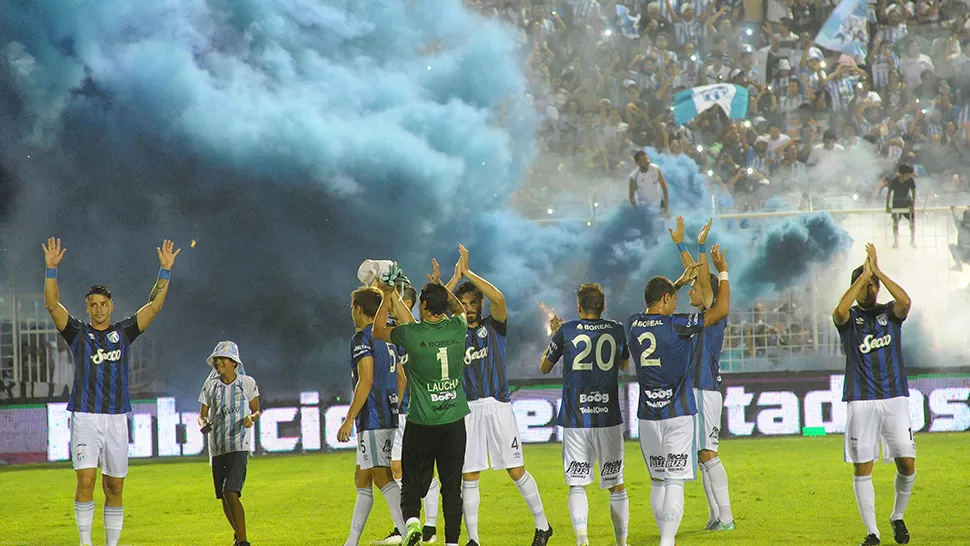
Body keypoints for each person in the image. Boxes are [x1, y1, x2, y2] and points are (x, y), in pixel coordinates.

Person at [42, 237, 180, 546]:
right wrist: (51, 270)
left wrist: (165, 271)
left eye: (104, 304)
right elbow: (52, 305)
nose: (99, 309)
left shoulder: (124, 333)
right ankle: (85, 542)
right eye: (93, 305)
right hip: (85, 416)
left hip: (117, 418)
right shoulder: (78, 333)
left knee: (115, 488)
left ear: (111, 306)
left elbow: (155, 306)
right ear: (87, 308)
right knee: (86, 480)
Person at [446, 245, 553, 546]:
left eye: (471, 302)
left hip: (498, 406)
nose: (467, 308)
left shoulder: (496, 327)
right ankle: (473, 539)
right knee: (469, 475)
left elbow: (500, 299)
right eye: (462, 303)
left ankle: (543, 526)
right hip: (467, 409)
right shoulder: (452, 331)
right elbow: (432, 306)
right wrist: (454, 280)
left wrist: (469, 274)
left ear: (479, 304)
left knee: (516, 470)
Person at [627, 245, 730, 546]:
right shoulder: (680, 324)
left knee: (659, 478)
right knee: (676, 477)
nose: (682, 298)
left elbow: (665, 302)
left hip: (648, 415)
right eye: (674, 297)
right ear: (666, 299)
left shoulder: (633, 323)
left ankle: (721, 516)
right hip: (679, 410)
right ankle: (669, 540)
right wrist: (720, 268)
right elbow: (719, 308)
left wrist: (680, 279)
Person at [373, 259, 468, 546]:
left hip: (422, 423)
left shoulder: (411, 336)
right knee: (452, 488)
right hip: (453, 423)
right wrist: (440, 288)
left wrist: (388, 295)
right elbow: (460, 309)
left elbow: (378, 330)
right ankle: (452, 542)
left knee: (412, 482)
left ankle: (413, 522)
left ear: (424, 306)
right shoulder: (458, 329)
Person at [833, 243, 915, 546]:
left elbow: (905, 301)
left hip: (895, 398)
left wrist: (877, 271)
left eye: (873, 285)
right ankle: (872, 532)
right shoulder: (849, 319)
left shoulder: (889, 314)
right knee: (862, 466)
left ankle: (896, 516)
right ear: (856, 287)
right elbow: (839, 311)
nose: (871, 289)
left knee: (907, 463)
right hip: (861, 400)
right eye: (865, 285)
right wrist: (862, 275)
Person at [539, 283, 630, 546]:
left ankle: (582, 540)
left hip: (576, 417)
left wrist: (556, 334)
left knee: (577, 484)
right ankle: (622, 543)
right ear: (604, 306)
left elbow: (545, 367)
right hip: (608, 418)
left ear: (579, 307)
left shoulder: (566, 331)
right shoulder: (615, 329)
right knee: (616, 483)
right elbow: (624, 364)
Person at [668, 217, 735, 531]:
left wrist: (700, 245)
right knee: (701, 455)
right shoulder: (700, 316)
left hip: (705, 388)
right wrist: (680, 246)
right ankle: (714, 516)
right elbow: (697, 274)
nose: (690, 290)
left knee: (708, 453)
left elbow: (704, 280)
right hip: (697, 388)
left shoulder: (710, 313)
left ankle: (727, 517)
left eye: (693, 288)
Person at [338, 286, 409, 546]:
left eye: (352, 308)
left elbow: (366, 379)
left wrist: (348, 419)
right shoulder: (388, 335)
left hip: (372, 418)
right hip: (387, 414)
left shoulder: (362, 339)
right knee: (363, 477)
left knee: (381, 476)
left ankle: (406, 530)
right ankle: (352, 541)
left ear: (358, 309)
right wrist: (394, 405)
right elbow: (402, 377)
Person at [377, 282, 441, 546]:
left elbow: (403, 375)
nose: (391, 306)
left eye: (394, 302)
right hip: (404, 410)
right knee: (402, 469)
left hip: (414, 410)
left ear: (408, 304)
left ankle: (427, 527)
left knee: (413, 470)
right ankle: (410, 527)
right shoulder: (398, 331)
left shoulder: (413, 331)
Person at [197, 341, 260, 546]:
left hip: (238, 445)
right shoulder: (209, 386)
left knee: (230, 491)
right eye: (216, 359)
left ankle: (243, 541)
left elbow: (257, 410)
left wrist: (251, 418)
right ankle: (237, 535)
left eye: (222, 358)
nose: (218, 362)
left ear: (233, 362)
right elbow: (202, 415)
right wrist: (203, 424)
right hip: (217, 448)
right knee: (223, 498)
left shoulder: (247, 383)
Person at [628, 150, 671, 217]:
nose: (648, 161)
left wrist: (666, 208)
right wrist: (637, 212)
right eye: (644, 160)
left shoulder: (655, 169)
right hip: (645, 209)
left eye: (647, 158)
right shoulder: (634, 176)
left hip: (659, 205)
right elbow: (631, 197)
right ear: (638, 163)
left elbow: (664, 187)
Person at [884, 164, 917, 249]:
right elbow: (889, 194)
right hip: (896, 204)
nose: (908, 177)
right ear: (901, 174)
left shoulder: (910, 181)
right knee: (895, 222)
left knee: (912, 222)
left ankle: (912, 240)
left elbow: (913, 193)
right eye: (907, 175)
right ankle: (896, 241)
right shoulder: (894, 181)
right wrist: (887, 206)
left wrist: (912, 206)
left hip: (907, 203)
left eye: (909, 175)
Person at [948, 206, 970, 271]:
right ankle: (958, 266)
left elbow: (956, 219)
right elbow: (955, 219)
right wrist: (953, 211)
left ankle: (959, 265)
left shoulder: (960, 225)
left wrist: (953, 211)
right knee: (951, 246)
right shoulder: (960, 225)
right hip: (962, 253)